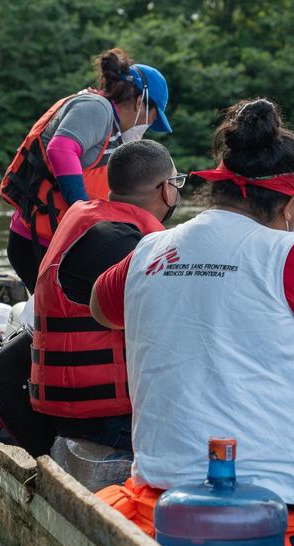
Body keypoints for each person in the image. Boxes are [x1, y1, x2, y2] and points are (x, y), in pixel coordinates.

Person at [91, 98, 294, 515]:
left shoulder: (151, 249)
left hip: (167, 472)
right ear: (290, 203)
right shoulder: (293, 254)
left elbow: (100, 306)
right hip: (277, 481)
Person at [30, 140, 182, 449]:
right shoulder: (121, 240)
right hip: (106, 416)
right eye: (178, 183)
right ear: (166, 189)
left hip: (66, 402)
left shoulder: (87, 219)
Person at [0, 47, 172, 292]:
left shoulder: (111, 124)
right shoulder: (96, 108)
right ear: (139, 102)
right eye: (153, 117)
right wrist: (82, 214)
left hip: (50, 240)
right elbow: (60, 149)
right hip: (36, 242)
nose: (149, 125)